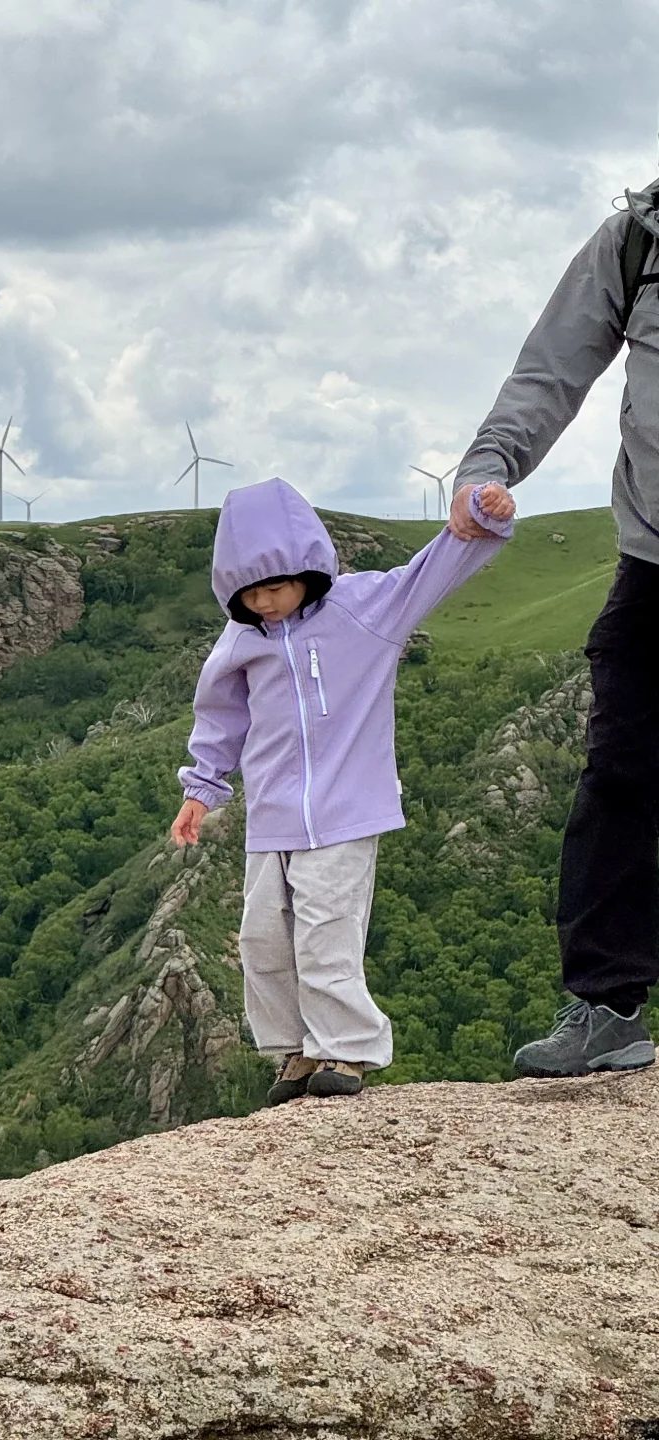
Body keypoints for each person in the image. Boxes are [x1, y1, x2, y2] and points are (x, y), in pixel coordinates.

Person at [170, 476, 514, 1101]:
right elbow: (221, 718)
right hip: (271, 816)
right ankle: (295, 1049)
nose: (264, 602)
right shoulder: (241, 639)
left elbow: (427, 575)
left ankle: (347, 1050)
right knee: (262, 940)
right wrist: (202, 789)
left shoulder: (363, 607)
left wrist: (477, 519)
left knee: (327, 932)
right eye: (249, 593)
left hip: (347, 810)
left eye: (274, 586)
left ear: (306, 569)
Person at [448, 182, 659, 1079]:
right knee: (619, 778)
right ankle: (608, 1007)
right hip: (654, 562)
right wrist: (488, 466)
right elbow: (550, 371)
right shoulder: (638, 241)